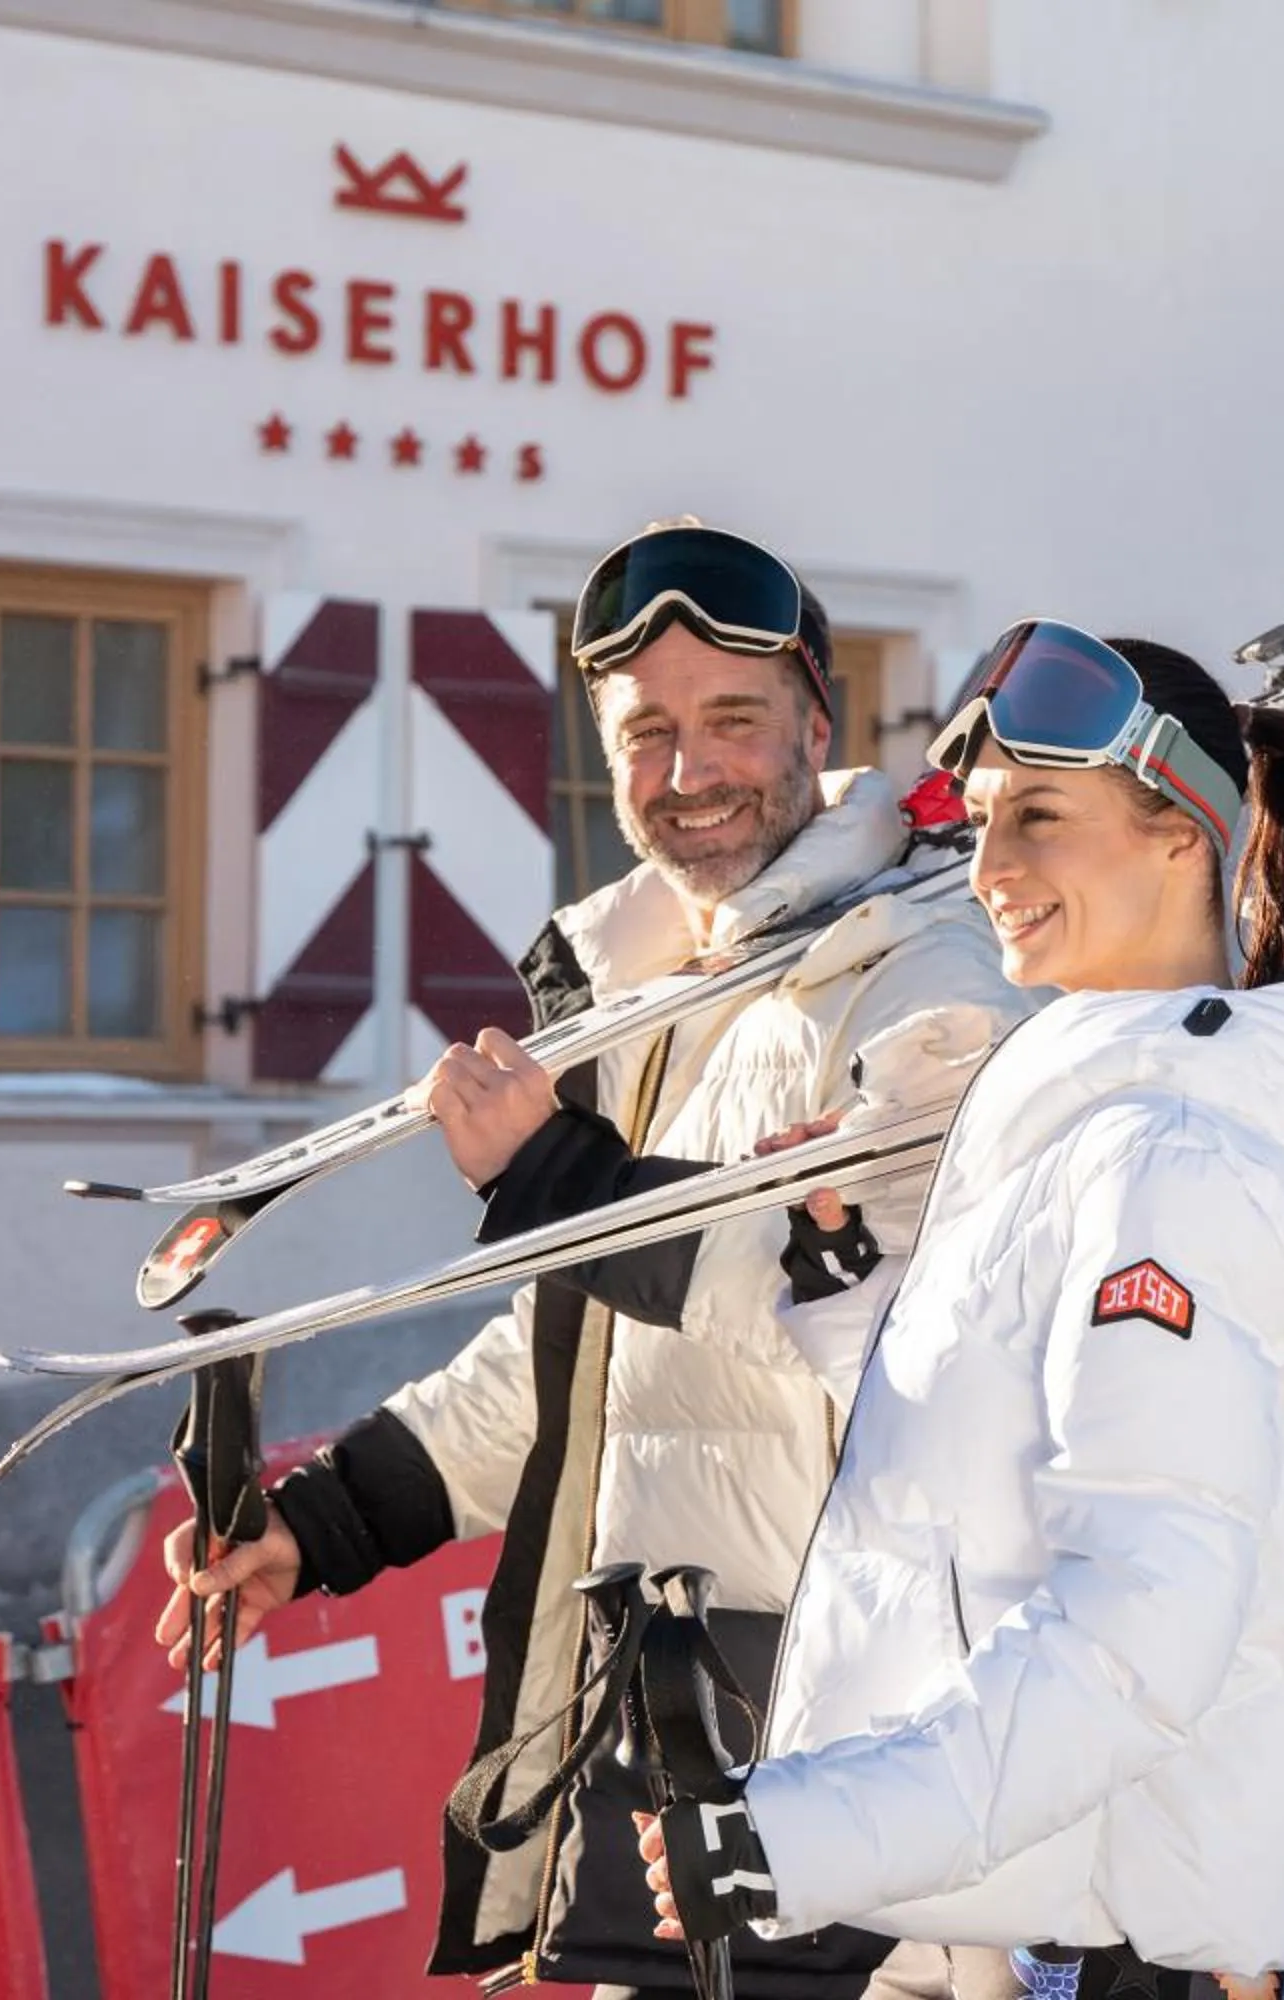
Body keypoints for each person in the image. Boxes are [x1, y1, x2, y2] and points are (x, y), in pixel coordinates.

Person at [154, 523, 1032, 1999]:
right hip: (668, 1703)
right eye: (649, 735)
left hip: (864, 1738)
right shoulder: (647, 998)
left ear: (817, 723)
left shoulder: (919, 979)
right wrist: (327, 1523)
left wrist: (565, 1179)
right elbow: (584, 1357)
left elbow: (882, 1318)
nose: (689, 774)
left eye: (733, 722)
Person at [633, 624, 1284, 1999]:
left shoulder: (1171, 1157)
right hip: (1049, 1898)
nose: (989, 872)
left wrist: (786, 1843)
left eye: (1040, 818)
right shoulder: (1104, 1117)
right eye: (982, 823)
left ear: (1185, 837)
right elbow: (1032, 1471)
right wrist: (843, 1272)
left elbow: (1137, 1623)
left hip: (1113, 1930)